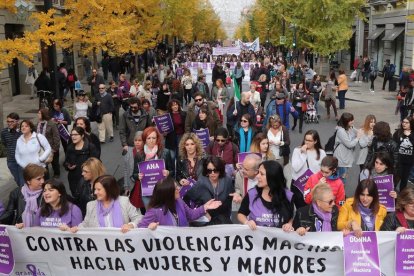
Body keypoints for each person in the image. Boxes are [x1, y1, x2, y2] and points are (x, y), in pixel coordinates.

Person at [138, 177, 222, 229]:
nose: (179, 188)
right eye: (175, 188)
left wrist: (205, 207)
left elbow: (191, 215)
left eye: (177, 186)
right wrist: (149, 228)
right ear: (167, 192)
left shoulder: (179, 201)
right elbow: (140, 228)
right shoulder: (154, 211)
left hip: (182, 247)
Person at [68, 175, 141, 233]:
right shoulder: (91, 205)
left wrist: (131, 225)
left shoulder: (123, 201)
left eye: (98, 189)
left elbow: (138, 218)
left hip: (123, 246)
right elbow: (85, 224)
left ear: (109, 189)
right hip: (102, 247)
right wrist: (76, 228)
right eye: (95, 189)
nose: (95, 192)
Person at [238, 160, 295, 231]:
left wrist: (289, 224)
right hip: (256, 239)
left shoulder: (288, 196)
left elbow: (290, 217)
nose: (257, 176)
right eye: (258, 172)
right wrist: (247, 222)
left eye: (261, 174)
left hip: (279, 240)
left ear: (272, 176)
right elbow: (241, 214)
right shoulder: (252, 194)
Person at [185, 156, 235, 225]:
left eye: (215, 170)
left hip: (223, 220)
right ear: (206, 171)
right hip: (205, 221)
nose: (212, 173)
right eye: (209, 171)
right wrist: (202, 212)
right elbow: (186, 199)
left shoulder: (227, 180)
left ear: (220, 169)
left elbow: (229, 203)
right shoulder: (201, 182)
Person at [132, 127, 173, 205]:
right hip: (147, 192)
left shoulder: (166, 152)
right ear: (145, 139)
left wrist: (168, 173)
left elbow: (173, 171)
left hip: (162, 191)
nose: (151, 140)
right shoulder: (139, 155)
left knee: (163, 214)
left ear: (157, 139)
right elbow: (134, 174)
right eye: (148, 138)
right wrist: (138, 176)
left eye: (154, 138)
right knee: (151, 215)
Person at [291, 130, 327, 208]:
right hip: (299, 185)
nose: (307, 142)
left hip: (314, 184)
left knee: (314, 207)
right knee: (300, 209)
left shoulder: (321, 153)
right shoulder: (297, 150)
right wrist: (303, 154)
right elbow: (296, 168)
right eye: (306, 140)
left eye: (310, 140)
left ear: (315, 141)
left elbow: (323, 170)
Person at [64, 126, 99, 196]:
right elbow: (66, 162)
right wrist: (68, 166)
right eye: (72, 135)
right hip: (73, 179)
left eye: (76, 135)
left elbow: (96, 163)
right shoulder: (70, 148)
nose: (73, 137)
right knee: (76, 197)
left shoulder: (90, 147)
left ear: (82, 135)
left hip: (87, 179)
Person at [334, 112, 361, 184]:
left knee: (344, 176)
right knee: (342, 178)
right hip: (342, 159)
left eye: (352, 119)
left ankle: (340, 192)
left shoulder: (349, 127)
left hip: (346, 157)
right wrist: (357, 138)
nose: (352, 121)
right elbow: (349, 144)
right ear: (345, 122)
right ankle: (340, 193)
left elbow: (357, 132)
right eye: (350, 120)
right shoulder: (341, 131)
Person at [37, 108, 61, 178]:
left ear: (43, 114)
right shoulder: (38, 123)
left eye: (39, 113)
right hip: (42, 148)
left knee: (54, 163)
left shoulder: (51, 124)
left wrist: (54, 149)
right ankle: (46, 177)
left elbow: (56, 137)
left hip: (52, 147)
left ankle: (56, 174)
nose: (37, 114)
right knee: (44, 164)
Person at [1, 112, 23, 186]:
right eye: (8, 121)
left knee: (22, 181)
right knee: (17, 180)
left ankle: (24, 196)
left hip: (22, 160)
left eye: (12, 121)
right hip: (11, 161)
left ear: (17, 121)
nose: (9, 123)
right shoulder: (4, 132)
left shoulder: (22, 131)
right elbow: (4, 143)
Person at [393, 116, 414, 191]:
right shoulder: (398, 132)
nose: (404, 124)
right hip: (399, 160)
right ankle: (392, 191)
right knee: (397, 177)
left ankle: (402, 194)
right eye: (403, 122)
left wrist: (410, 136)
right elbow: (393, 144)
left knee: (404, 179)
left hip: (409, 161)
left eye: (406, 123)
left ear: (411, 123)